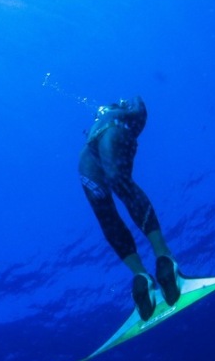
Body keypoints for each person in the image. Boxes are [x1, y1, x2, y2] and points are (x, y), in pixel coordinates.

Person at [78, 95, 182, 321]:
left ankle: (163, 257)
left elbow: (140, 109)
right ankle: (141, 276)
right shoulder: (95, 126)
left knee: (118, 180)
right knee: (103, 211)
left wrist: (131, 105)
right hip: (88, 153)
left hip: (114, 132)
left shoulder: (121, 114)